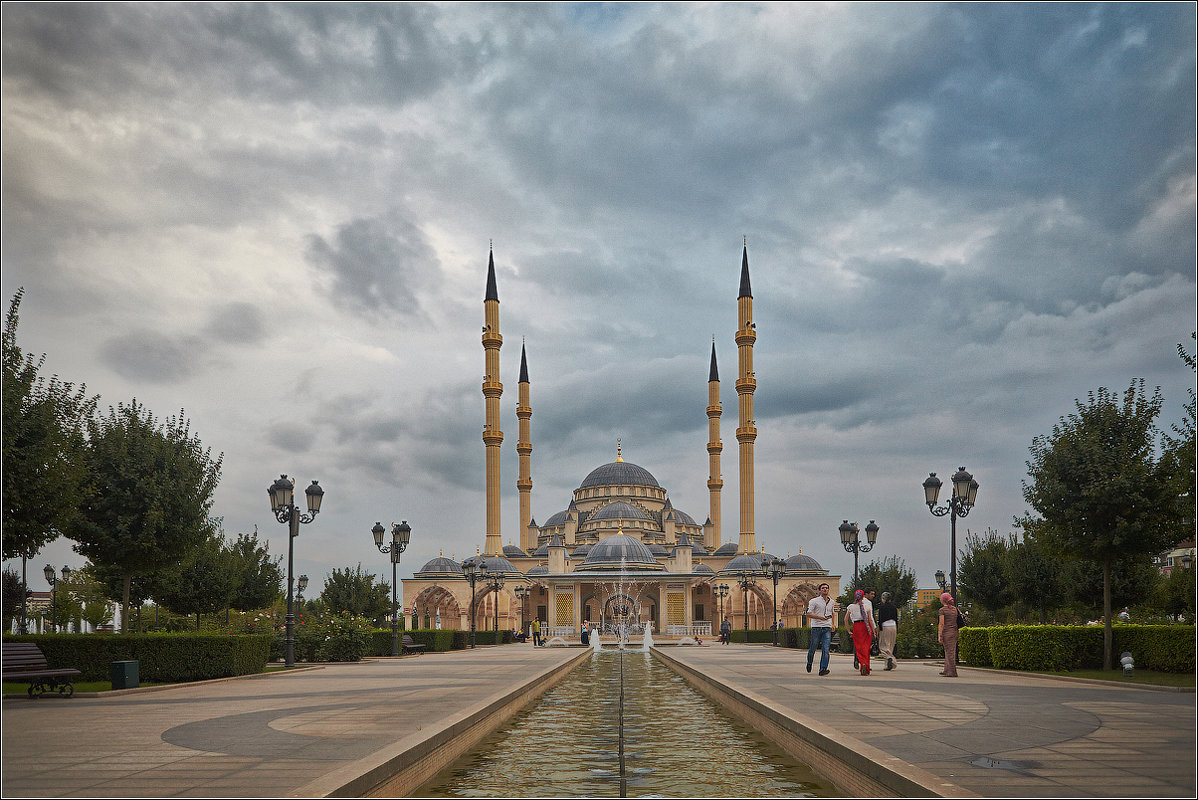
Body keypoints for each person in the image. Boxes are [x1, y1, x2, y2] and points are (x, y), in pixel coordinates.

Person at [803, 583, 835, 675]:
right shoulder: (814, 601)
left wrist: (832, 624)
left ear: (828, 590)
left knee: (826, 649)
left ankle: (823, 669)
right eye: (823, 588)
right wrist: (820, 617)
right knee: (813, 648)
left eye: (826, 588)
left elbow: (832, 613)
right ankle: (809, 663)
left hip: (826, 628)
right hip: (816, 627)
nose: (825, 589)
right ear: (820, 590)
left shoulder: (831, 602)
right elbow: (808, 614)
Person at [844, 589, 876, 675]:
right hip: (866, 627)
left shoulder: (851, 606)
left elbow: (845, 619)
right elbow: (870, 620)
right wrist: (873, 631)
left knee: (859, 647)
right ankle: (865, 665)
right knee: (866, 647)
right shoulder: (867, 606)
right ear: (863, 596)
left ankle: (862, 662)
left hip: (857, 627)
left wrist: (849, 630)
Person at [937, 592, 960, 677]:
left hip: (947, 632)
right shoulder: (955, 609)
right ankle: (946, 670)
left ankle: (952, 672)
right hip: (954, 632)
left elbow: (941, 623)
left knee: (949, 653)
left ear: (943, 600)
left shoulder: (942, 610)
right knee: (949, 651)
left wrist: (940, 635)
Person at [877, 591, 899, 670]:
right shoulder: (894, 607)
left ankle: (889, 658)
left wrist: (879, 630)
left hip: (885, 626)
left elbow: (880, 619)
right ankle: (888, 665)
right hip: (893, 626)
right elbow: (896, 618)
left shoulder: (882, 607)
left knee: (883, 646)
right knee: (890, 645)